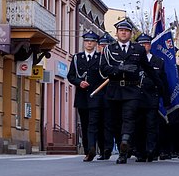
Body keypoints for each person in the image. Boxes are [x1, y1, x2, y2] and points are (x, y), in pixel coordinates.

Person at [100, 20, 164, 164]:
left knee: (129, 118)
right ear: (116, 33)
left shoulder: (138, 49)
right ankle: (125, 145)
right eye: (121, 30)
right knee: (116, 122)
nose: (123, 33)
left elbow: (148, 69)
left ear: (131, 34)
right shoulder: (108, 50)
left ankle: (124, 147)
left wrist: (159, 85)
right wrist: (119, 69)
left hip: (132, 89)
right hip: (115, 89)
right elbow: (103, 69)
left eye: (127, 31)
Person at [67, 31, 105, 162]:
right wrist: (79, 82)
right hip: (82, 97)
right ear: (84, 43)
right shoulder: (77, 58)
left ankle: (91, 149)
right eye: (87, 41)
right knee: (84, 124)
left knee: (93, 123)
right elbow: (70, 76)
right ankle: (88, 149)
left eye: (92, 41)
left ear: (95, 43)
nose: (89, 43)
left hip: (96, 96)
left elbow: (104, 76)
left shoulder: (100, 58)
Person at [134, 33, 169, 162]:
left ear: (150, 45)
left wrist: (166, 98)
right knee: (138, 126)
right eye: (141, 44)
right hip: (136, 97)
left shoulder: (158, 61)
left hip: (152, 98)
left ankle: (151, 151)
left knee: (151, 126)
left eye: (146, 44)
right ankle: (139, 151)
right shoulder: (133, 60)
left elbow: (163, 81)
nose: (144, 46)